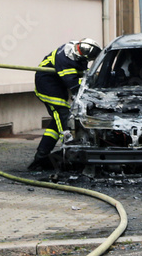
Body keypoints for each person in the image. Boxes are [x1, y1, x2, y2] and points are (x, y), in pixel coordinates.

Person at [27, 38, 102, 171]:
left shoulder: (77, 52)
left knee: (55, 125)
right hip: (47, 86)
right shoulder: (65, 59)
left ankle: (40, 157)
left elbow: (82, 78)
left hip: (57, 84)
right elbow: (74, 85)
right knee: (63, 115)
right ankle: (69, 147)